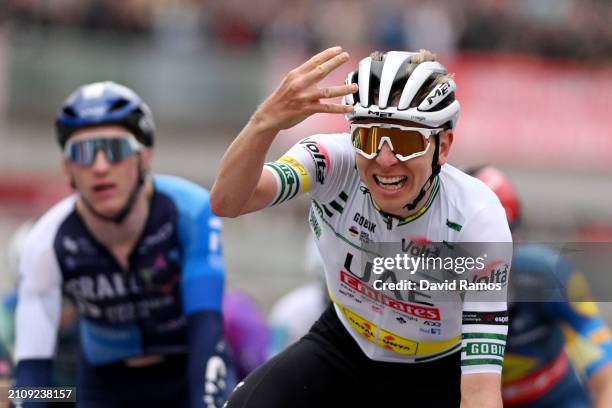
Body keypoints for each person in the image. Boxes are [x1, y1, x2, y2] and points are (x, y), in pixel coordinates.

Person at [211, 47, 512, 407]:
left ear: (442, 146)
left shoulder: (477, 220)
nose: (384, 161)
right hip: (343, 345)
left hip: (433, 377)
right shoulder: (331, 161)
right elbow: (228, 202)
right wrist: (265, 123)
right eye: (369, 138)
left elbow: (481, 390)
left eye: (404, 141)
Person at [13, 81, 233, 408]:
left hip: (189, 367)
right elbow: (31, 368)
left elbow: (206, 326)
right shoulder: (46, 239)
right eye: (83, 153)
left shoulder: (191, 210)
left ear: (144, 157)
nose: (100, 167)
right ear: (67, 169)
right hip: (104, 386)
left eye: (115, 150)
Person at [468, 165, 612, 408]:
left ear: (517, 238)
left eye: (499, 237)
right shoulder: (428, 287)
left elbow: (601, 354)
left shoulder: (548, 274)